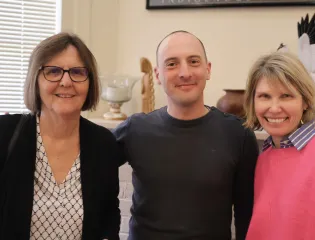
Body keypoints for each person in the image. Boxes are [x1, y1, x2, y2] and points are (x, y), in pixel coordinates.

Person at [112, 30, 259, 240]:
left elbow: (247, 216)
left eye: (193, 61)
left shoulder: (238, 135)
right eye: (172, 64)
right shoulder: (135, 129)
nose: (184, 72)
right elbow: (91, 171)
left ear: (208, 70)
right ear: (157, 75)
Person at [0, 32, 120, 240]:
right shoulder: (4, 134)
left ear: (89, 81)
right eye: (53, 71)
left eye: (77, 72)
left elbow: (109, 218)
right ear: (35, 80)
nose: (66, 81)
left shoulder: (104, 144)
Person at [243, 51, 315, 240]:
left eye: (286, 96)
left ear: (305, 101)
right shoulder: (264, 156)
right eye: (264, 96)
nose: (274, 108)